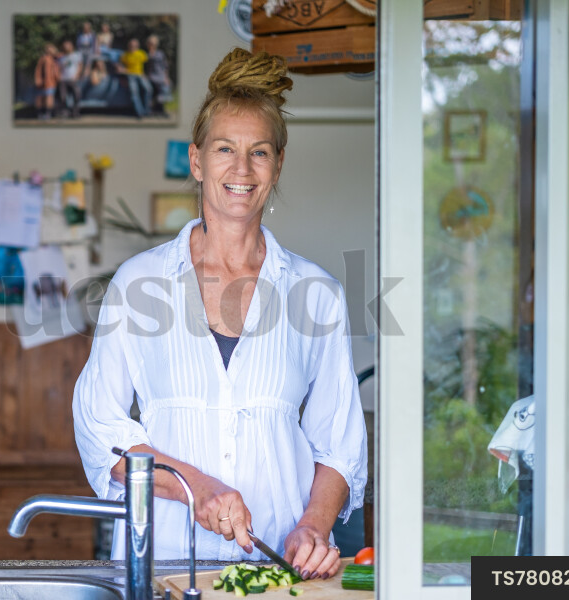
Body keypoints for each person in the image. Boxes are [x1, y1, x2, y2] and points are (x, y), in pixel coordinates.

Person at [73, 47, 367, 580]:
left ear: (278, 165)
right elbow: (101, 432)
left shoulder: (316, 293)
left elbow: (340, 444)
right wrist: (196, 487)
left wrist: (313, 526)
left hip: (276, 568)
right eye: (225, 148)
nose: (242, 168)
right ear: (197, 160)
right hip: (162, 564)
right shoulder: (139, 283)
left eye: (259, 152)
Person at [118, 38, 153, 118]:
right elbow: (119, 64)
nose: (132, 47)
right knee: (134, 93)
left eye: (134, 45)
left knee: (148, 89)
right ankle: (140, 113)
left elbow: (148, 65)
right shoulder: (125, 55)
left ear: (137, 46)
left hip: (140, 75)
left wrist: (146, 74)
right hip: (130, 75)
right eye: (131, 45)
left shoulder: (141, 53)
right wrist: (122, 71)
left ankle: (147, 111)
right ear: (129, 46)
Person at [145, 34, 172, 116]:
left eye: (153, 44)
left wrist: (166, 77)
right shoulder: (145, 54)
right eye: (150, 43)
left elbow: (165, 66)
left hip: (160, 75)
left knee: (166, 86)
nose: (152, 45)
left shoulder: (160, 54)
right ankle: (154, 109)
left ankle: (161, 109)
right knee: (154, 87)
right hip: (151, 76)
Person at [58, 40, 84, 119]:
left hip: (73, 79)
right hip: (63, 79)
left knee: (77, 95)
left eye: (68, 46)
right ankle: (65, 112)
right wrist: (59, 76)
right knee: (62, 97)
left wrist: (77, 75)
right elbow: (59, 68)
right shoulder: (62, 57)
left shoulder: (76, 55)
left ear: (72, 46)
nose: (66, 47)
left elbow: (80, 65)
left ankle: (75, 112)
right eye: (65, 46)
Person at [33, 43, 59, 120]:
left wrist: (57, 78)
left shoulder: (54, 59)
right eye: (49, 49)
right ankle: (41, 113)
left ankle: (48, 113)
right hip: (44, 82)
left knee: (49, 97)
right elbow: (38, 70)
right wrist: (38, 79)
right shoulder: (44, 58)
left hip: (51, 82)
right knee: (42, 98)